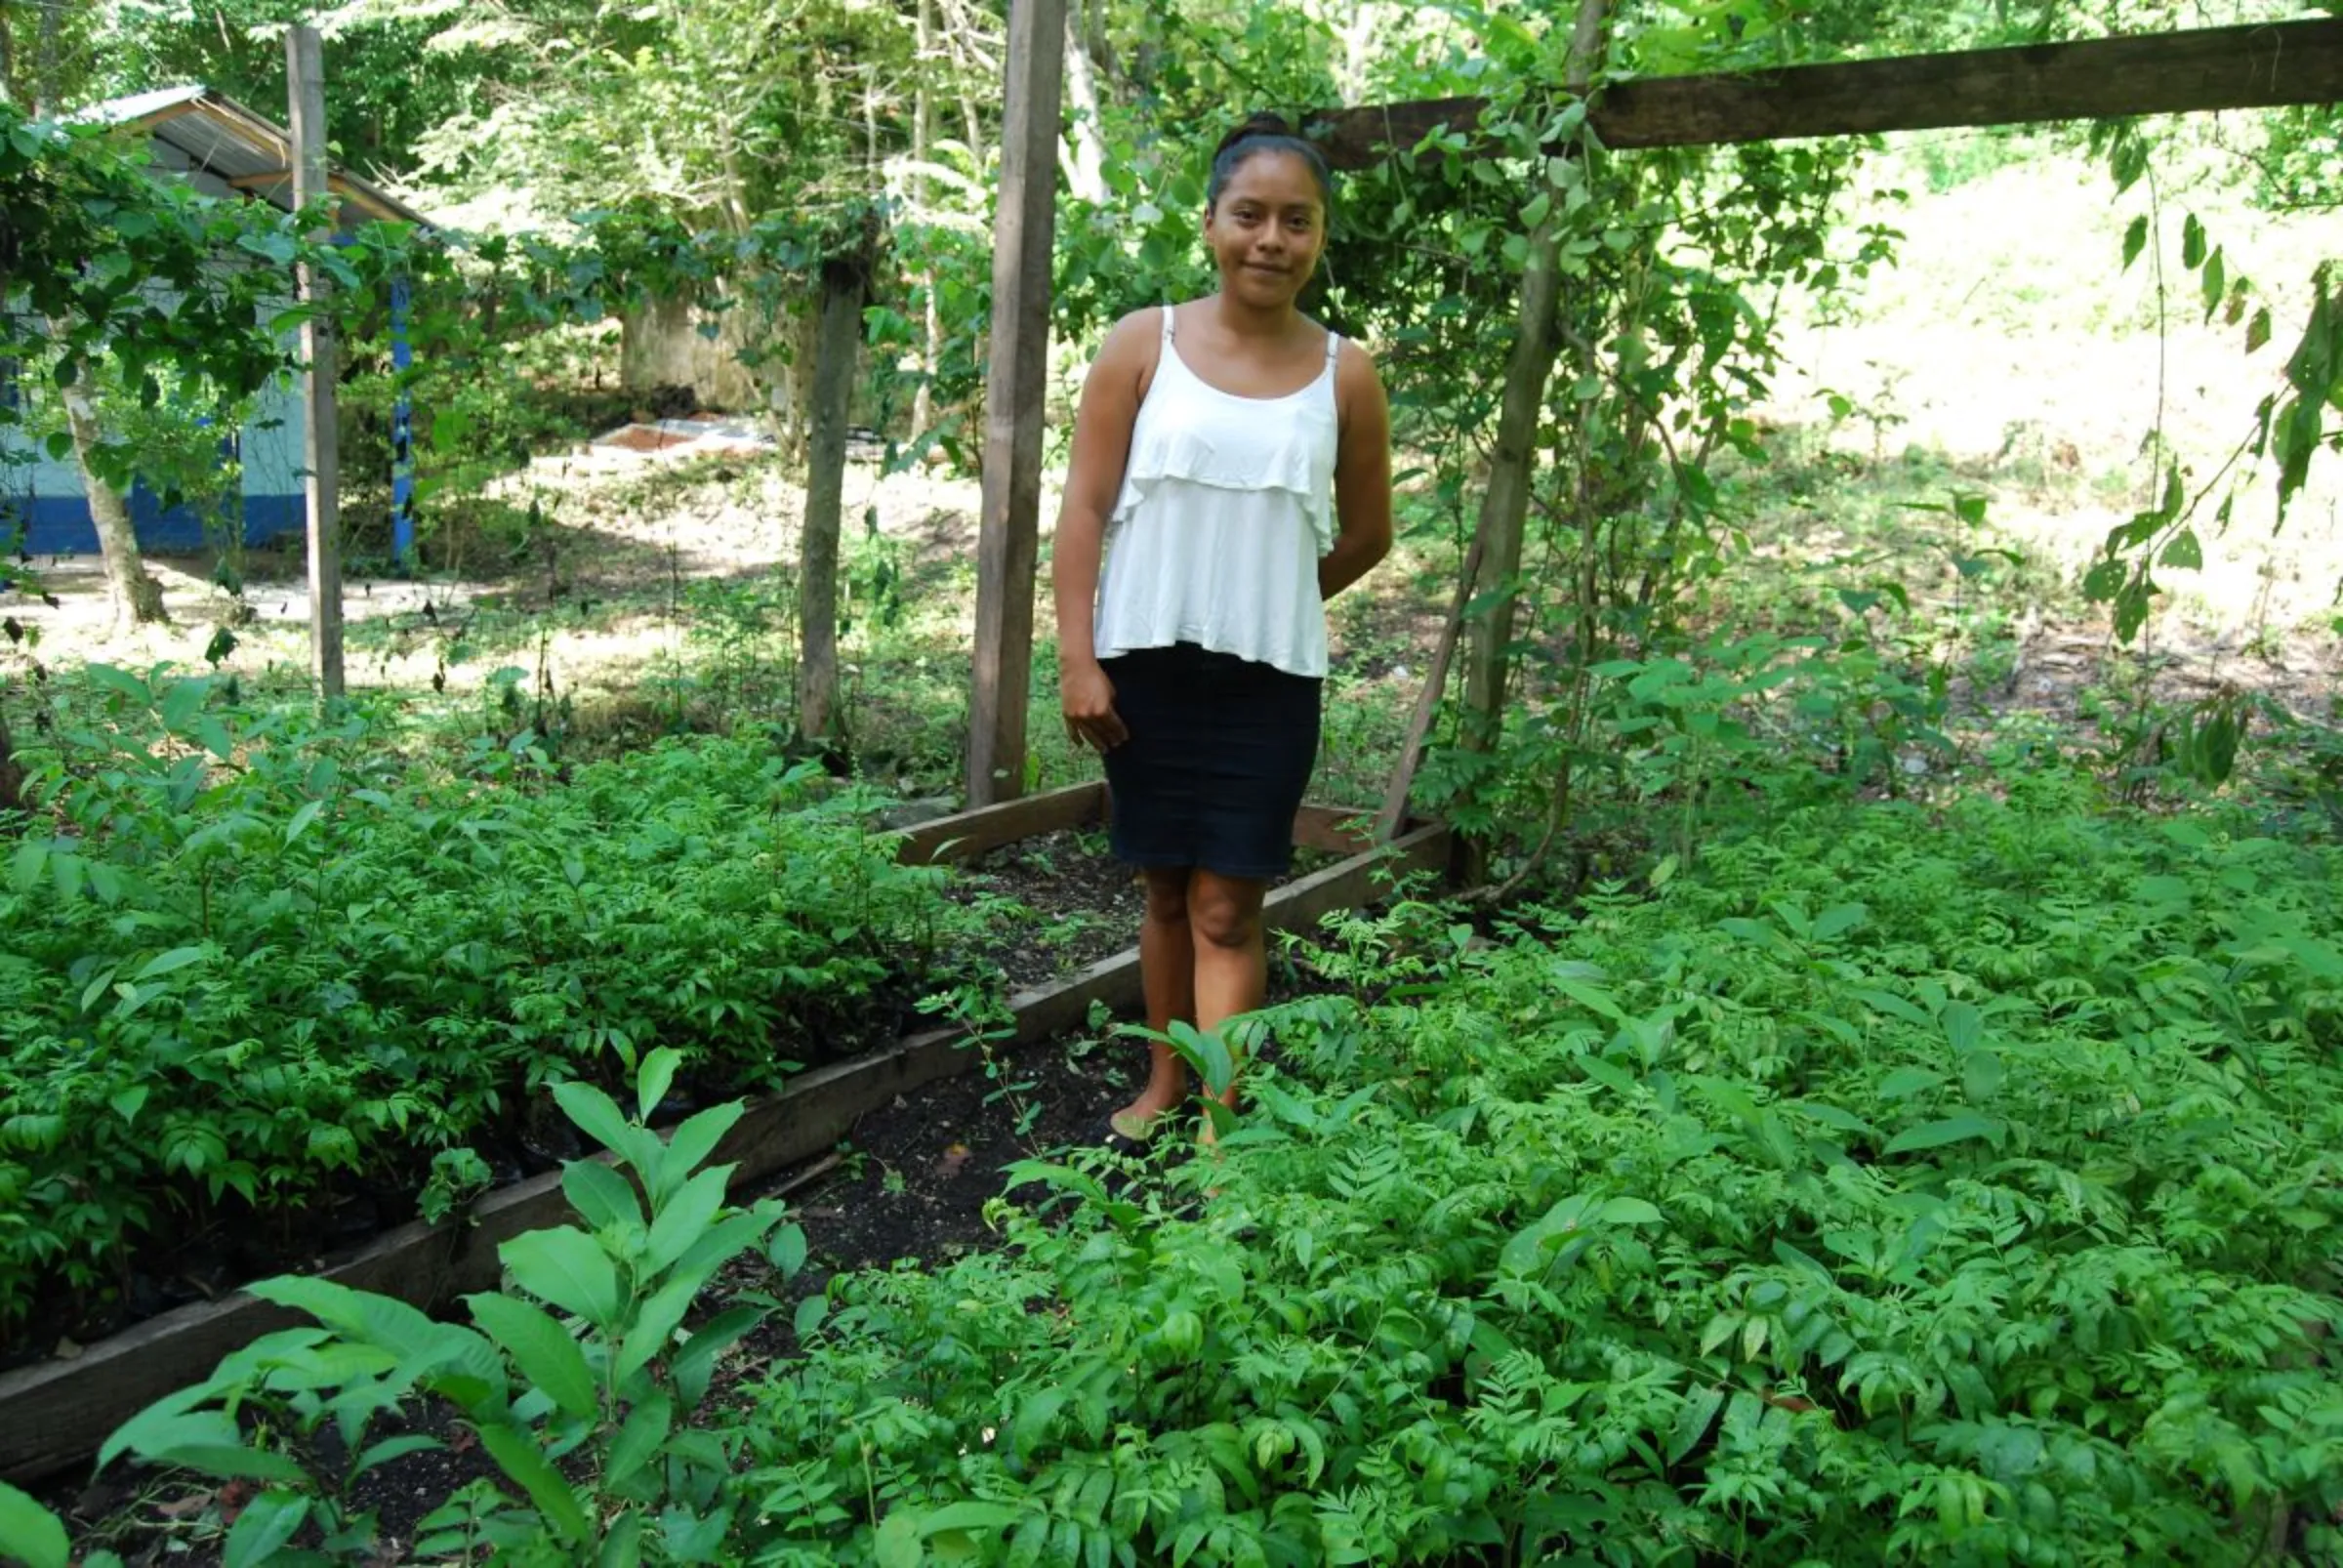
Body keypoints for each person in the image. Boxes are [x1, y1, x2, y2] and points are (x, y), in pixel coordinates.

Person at [1049, 113, 1394, 1145]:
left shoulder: (1347, 372)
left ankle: (1224, 1126)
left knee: (1226, 908)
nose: (1272, 240)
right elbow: (1083, 507)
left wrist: (1271, 597)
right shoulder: (1139, 343)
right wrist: (1079, 655)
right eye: (1251, 215)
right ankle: (1165, 1082)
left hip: (1269, 684)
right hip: (1141, 671)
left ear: (1320, 238)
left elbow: (1371, 534)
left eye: (1298, 221)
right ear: (1211, 224)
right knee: (1161, 889)